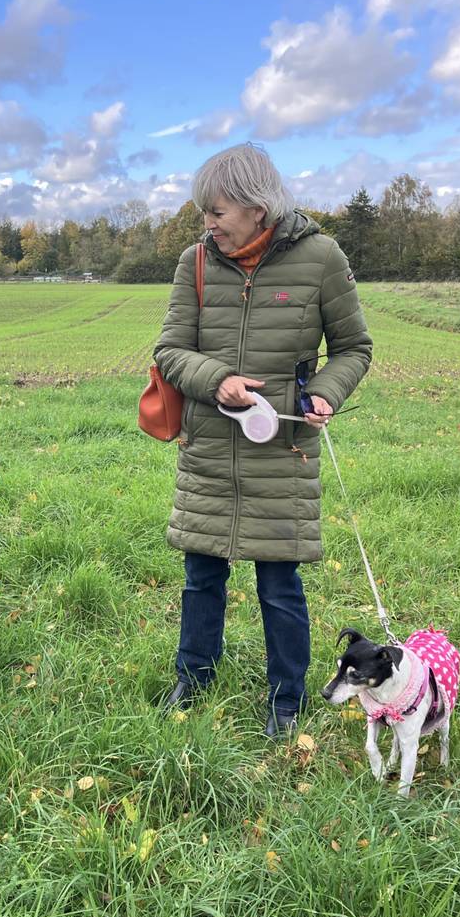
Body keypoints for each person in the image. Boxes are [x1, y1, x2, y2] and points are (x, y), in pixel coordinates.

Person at [152, 143, 372, 737]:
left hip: (284, 452)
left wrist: (325, 392)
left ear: (255, 205)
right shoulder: (194, 263)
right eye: (205, 212)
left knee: (279, 584)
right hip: (210, 450)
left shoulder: (322, 257)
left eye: (217, 211)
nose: (209, 223)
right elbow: (170, 352)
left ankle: (287, 699)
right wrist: (216, 380)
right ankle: (192, 678)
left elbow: (354, 349)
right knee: (202, 575)